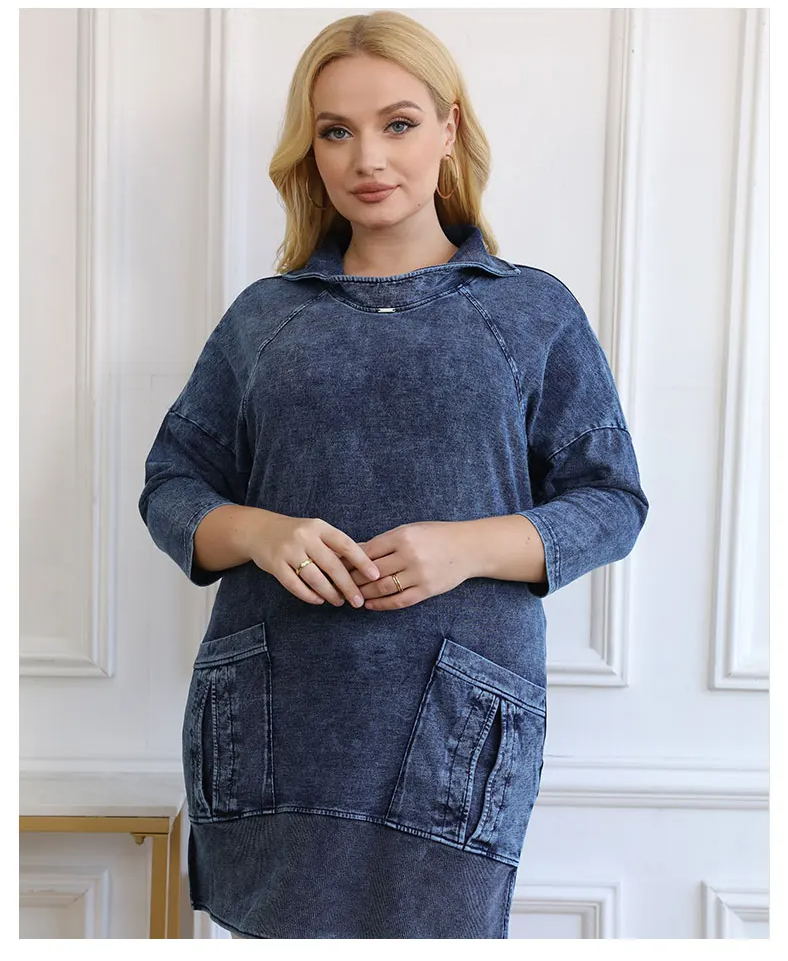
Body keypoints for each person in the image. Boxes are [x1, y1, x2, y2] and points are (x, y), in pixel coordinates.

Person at [137, 10, 649, 940]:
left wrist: (468, 547)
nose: (367, 158)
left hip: (454, 724)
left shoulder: (529, 312)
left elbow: (612, 500)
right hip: (277, 724)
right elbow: (173, 482)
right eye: (336, 131)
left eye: (398, 124)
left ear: (450, 129)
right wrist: (260, 531)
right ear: (311, 150)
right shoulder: (266, 318)